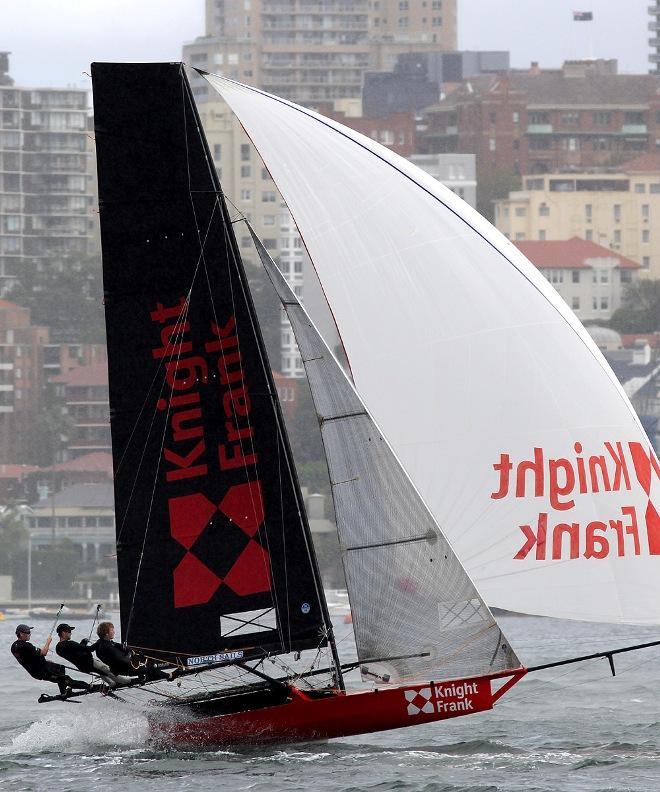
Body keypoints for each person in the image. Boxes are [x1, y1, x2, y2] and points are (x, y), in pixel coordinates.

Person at [11, 624, 89, 697]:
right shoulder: (26, 645)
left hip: (41, 666)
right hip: (42, 671)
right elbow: (44, 652)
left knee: (60, 667)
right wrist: (48, 642)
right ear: (21, 634)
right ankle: (90, 687)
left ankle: (63, 692)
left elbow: (28, 658)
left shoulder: (14, 646)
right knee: (66, 679)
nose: (30, 634)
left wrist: (44, 661)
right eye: (28, 632)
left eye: (29, 632)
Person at [55, 623, 128, 689]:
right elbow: (89, 649)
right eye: (69, 631)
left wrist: (83, 643)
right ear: (63, 633)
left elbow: (76, 652)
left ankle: (112, 683)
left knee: (100, 671)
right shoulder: (70, 644)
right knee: (106, 669)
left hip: (82, 667)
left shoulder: (58, 648)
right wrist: (99, 642)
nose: (71, 634)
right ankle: (125, 681)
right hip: (89, 662)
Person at [95, 622, 173, 682]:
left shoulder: (102, 644)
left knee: (141, 659)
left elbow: (121, 650)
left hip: (120, 669)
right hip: (127, 669)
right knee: (150, 668)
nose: (114, 632)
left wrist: (130, 651)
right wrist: (131, 654)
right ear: (106, 633)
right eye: (112, 630)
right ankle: (169, 676)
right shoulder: (108, 647)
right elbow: (123, 660)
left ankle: (142, 676)